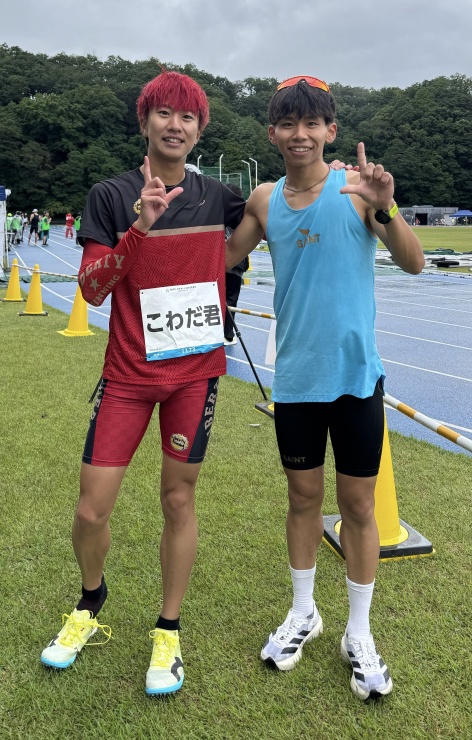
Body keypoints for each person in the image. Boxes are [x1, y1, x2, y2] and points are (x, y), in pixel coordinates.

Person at [40, 70, 245, 696]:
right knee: (91, 507)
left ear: (200, 129)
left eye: (188, 117)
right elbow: (92, 289)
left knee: (179, 501)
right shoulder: (110, 195)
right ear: (145, 121)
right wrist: (140, 229)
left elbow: (275, 218)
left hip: (194, 376)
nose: (175, 125)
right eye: (164, 114)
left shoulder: (220, 198)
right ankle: (90, 601)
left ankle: (168, 629)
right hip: (128, 375)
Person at [226, 75, 424, 701]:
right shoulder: (264, 200)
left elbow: (414, 262)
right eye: (288, 124)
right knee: (303, 498)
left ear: (330, 131)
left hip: (355, 378)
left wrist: (386, 207)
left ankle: (358, 632)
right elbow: (221, 258)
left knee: (359, 506)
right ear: (272, 133)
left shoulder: (357, 190)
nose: (300, 134)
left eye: (312, 123)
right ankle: (304, 612)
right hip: (297, 381)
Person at [223, 183, 249, 345]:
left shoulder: (216, 211)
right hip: (236, 263)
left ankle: (219, 333)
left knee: (216, 298)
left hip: (220, 262)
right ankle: (227, 335)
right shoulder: (242, 214)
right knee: (231, 299)